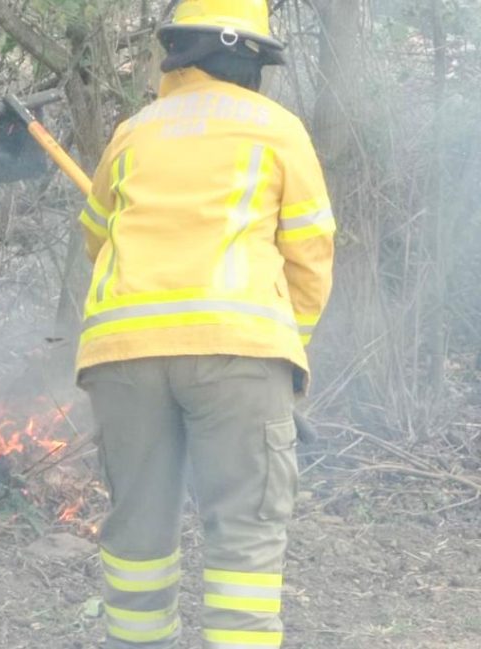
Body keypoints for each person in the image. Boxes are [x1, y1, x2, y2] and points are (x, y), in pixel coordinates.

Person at [76, 1, 335, 647]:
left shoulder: (135, 130)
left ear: (180, 52)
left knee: (138, 533)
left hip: (124, 355)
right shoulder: (277, 128)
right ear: (250, 60)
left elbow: (96, 237)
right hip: (239, 353)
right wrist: (287, 345)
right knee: (245, 538)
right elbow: (309, 250)